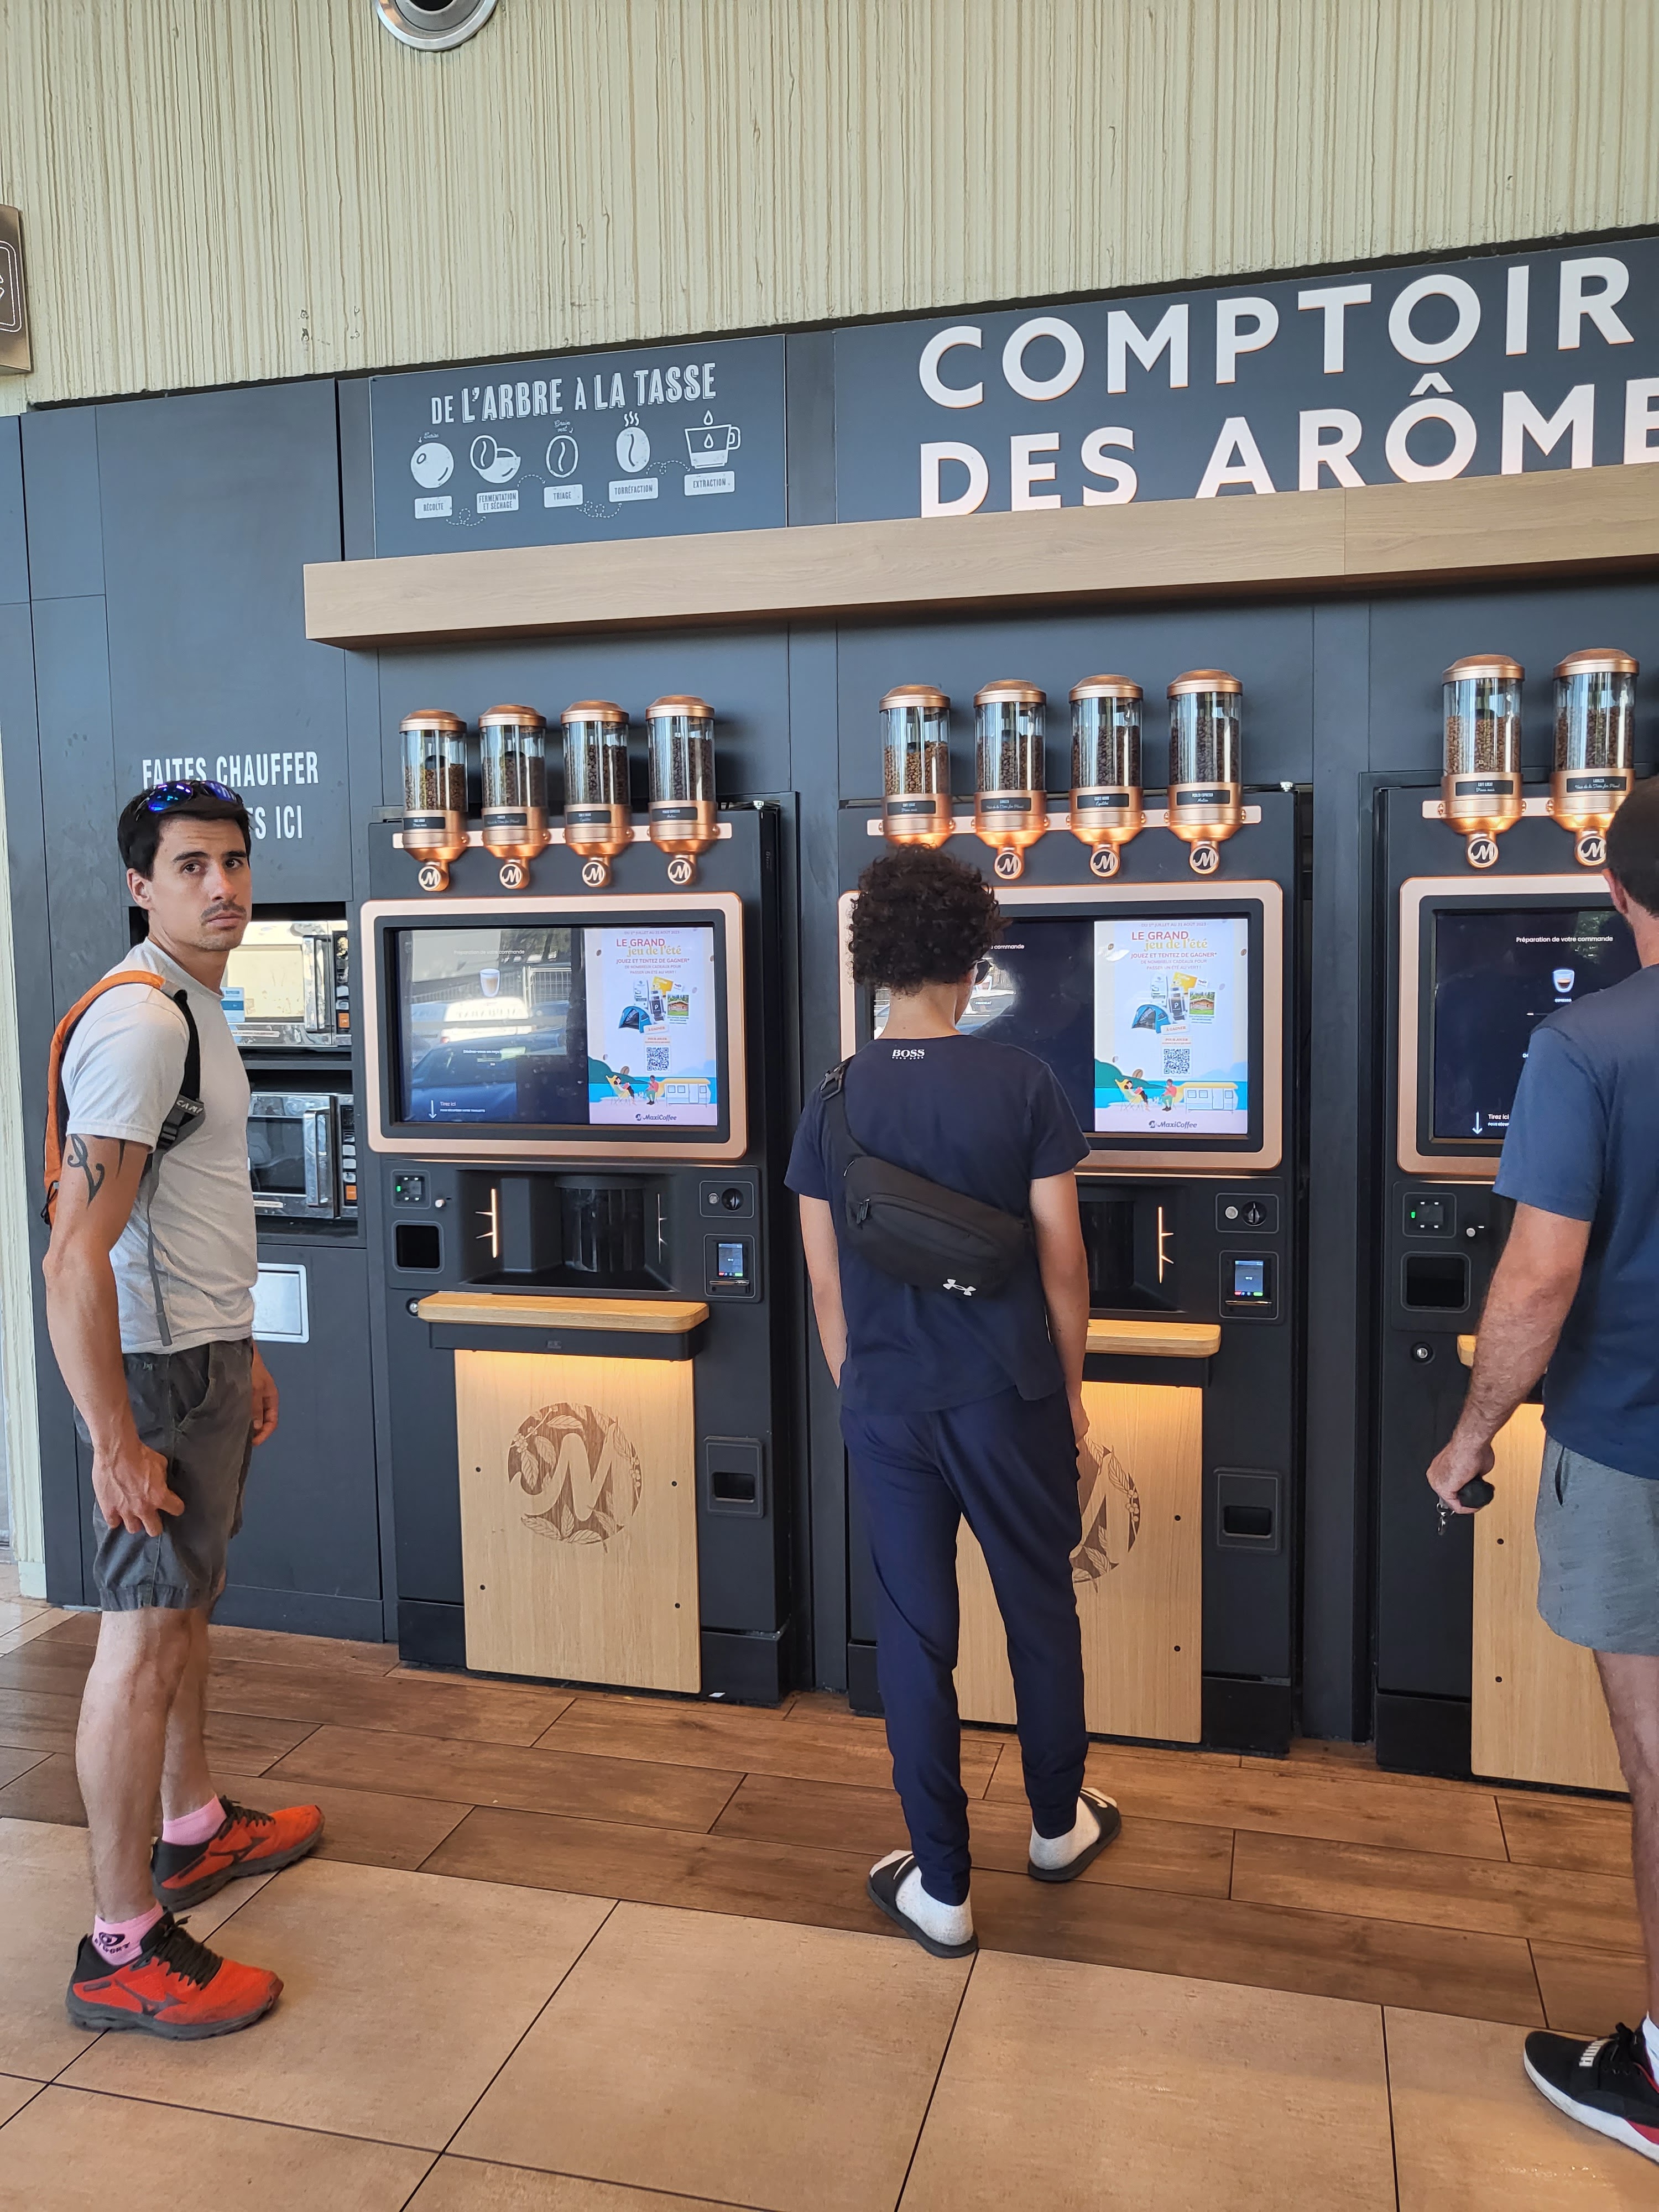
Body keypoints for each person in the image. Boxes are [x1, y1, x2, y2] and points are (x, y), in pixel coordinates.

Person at [789, 847, 1119, 1958]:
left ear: (877, 961)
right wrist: (1069, 1397)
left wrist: (865, 1388)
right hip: (1007, 1396)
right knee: (1039, 1610)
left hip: (889, 1406)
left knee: (915, 1639)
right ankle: (1057, 1828)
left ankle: (942, 1888)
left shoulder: (833, 1095)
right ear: (971, 962)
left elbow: (826, 1283)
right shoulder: (1021, 1082)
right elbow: (1065, 1263)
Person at [45, 780, 323, 2039]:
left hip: (198, 1358)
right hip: (151, 1377)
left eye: (235, 861)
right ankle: (120, 1944)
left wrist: (238, 1345)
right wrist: (115, 1436)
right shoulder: (143, 1022)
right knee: (142, 1638)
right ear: (139, 885)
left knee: (186, 1611)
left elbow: (185, 1211)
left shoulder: (195, 1004)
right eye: (193, 865)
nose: (224, 886)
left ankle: (194, 1828)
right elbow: (73, 1255)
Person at [1426, 776, 1659, 2162]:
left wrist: (1470, 1435)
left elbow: (1537, 1277)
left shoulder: (1586, 1044)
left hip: (1634, 1449)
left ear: (1618, 893)